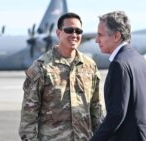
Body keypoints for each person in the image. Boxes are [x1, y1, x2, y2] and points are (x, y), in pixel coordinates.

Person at [19, 12, 105, 141]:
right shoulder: (42, 68)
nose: (74, 35)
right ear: (58, 33)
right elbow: (28, 115)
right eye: (69, 30)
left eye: (78, 31)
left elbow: (96, 109)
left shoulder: (90, 66)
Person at [89, 11, 146, 141]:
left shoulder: (119, 64)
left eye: (100, 35)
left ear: (116, 36)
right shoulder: (139, 59)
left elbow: (116, 114)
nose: (96, 40)